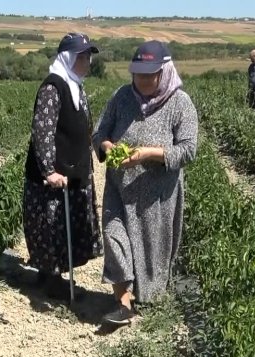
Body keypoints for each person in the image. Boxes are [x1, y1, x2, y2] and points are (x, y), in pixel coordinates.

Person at [92, 40, 199, 325]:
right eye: (137, 73)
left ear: (163, 72)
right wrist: (105, 145)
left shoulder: (180, 103)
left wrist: (149, 154)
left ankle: (149, 300)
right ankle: (123, 303)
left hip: (157, 197)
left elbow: (189, 150)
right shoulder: (121, 97)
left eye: (148, 74)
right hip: (119, 187)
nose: (141, 79)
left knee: (152, 250)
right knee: (114, 237)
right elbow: (99, 132)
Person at [23, 32, 102, 300]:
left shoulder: (75, 85)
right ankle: (51, 278)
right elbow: (42, 131)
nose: (87, 62)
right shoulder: (53, 88)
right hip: (54, 176)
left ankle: (52, 275)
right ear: (68, 58)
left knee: (66, 227)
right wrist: (48, 170)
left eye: (88, 56)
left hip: (72, 170)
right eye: (82, 56)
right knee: (50, 226)